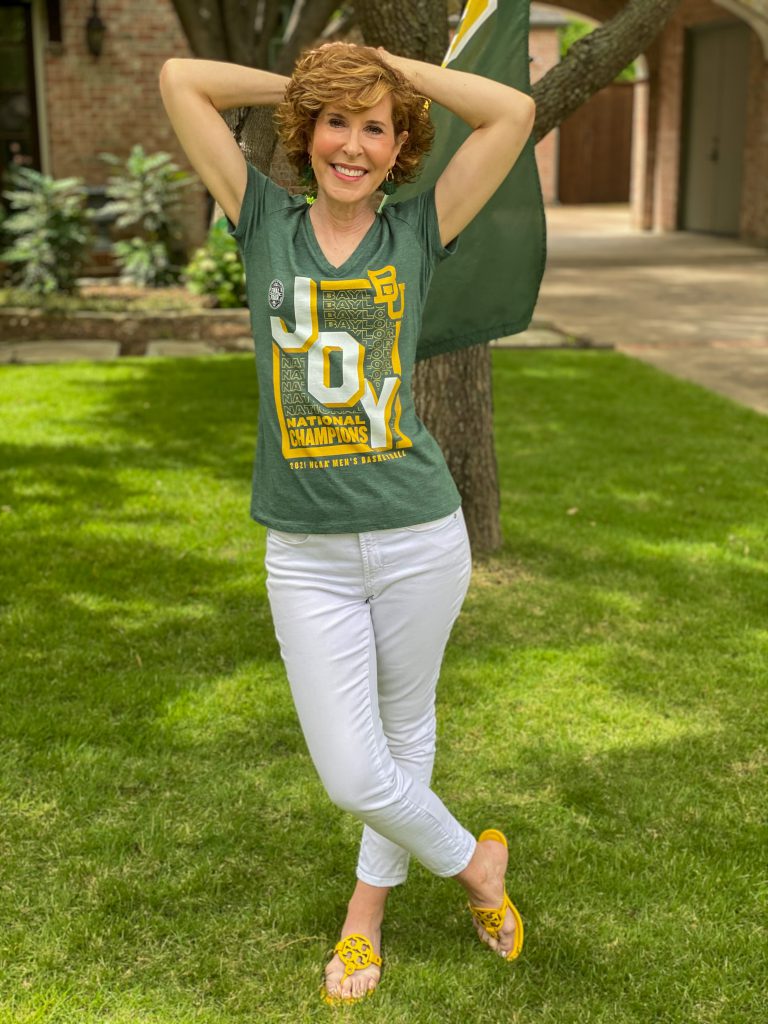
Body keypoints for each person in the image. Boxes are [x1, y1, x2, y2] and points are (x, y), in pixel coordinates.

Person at [159, 42, 535, 1003]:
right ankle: (473, 866)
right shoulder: (262, 221)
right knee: (352, 771)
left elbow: (509, 114)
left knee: (405, 732)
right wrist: (324, 80)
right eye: (337, 123)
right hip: (307, 552)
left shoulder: (418, 229)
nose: (354, 146)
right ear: (309, 133)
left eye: (376, 128)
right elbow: (178, 80)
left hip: (417, 532)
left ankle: (363, 921)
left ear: (401, 145)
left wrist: (385, 70)